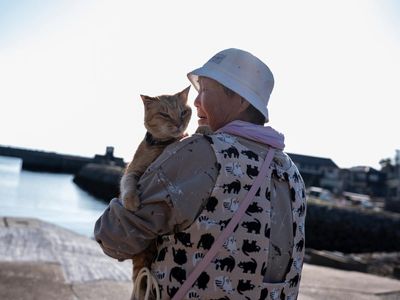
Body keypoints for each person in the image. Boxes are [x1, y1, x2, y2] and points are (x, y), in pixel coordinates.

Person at [94, 48, 307, 300]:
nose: (195, 102)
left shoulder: (201, 151)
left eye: (204, 91)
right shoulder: (291, 172)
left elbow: (115, 238)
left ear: (241, 100)